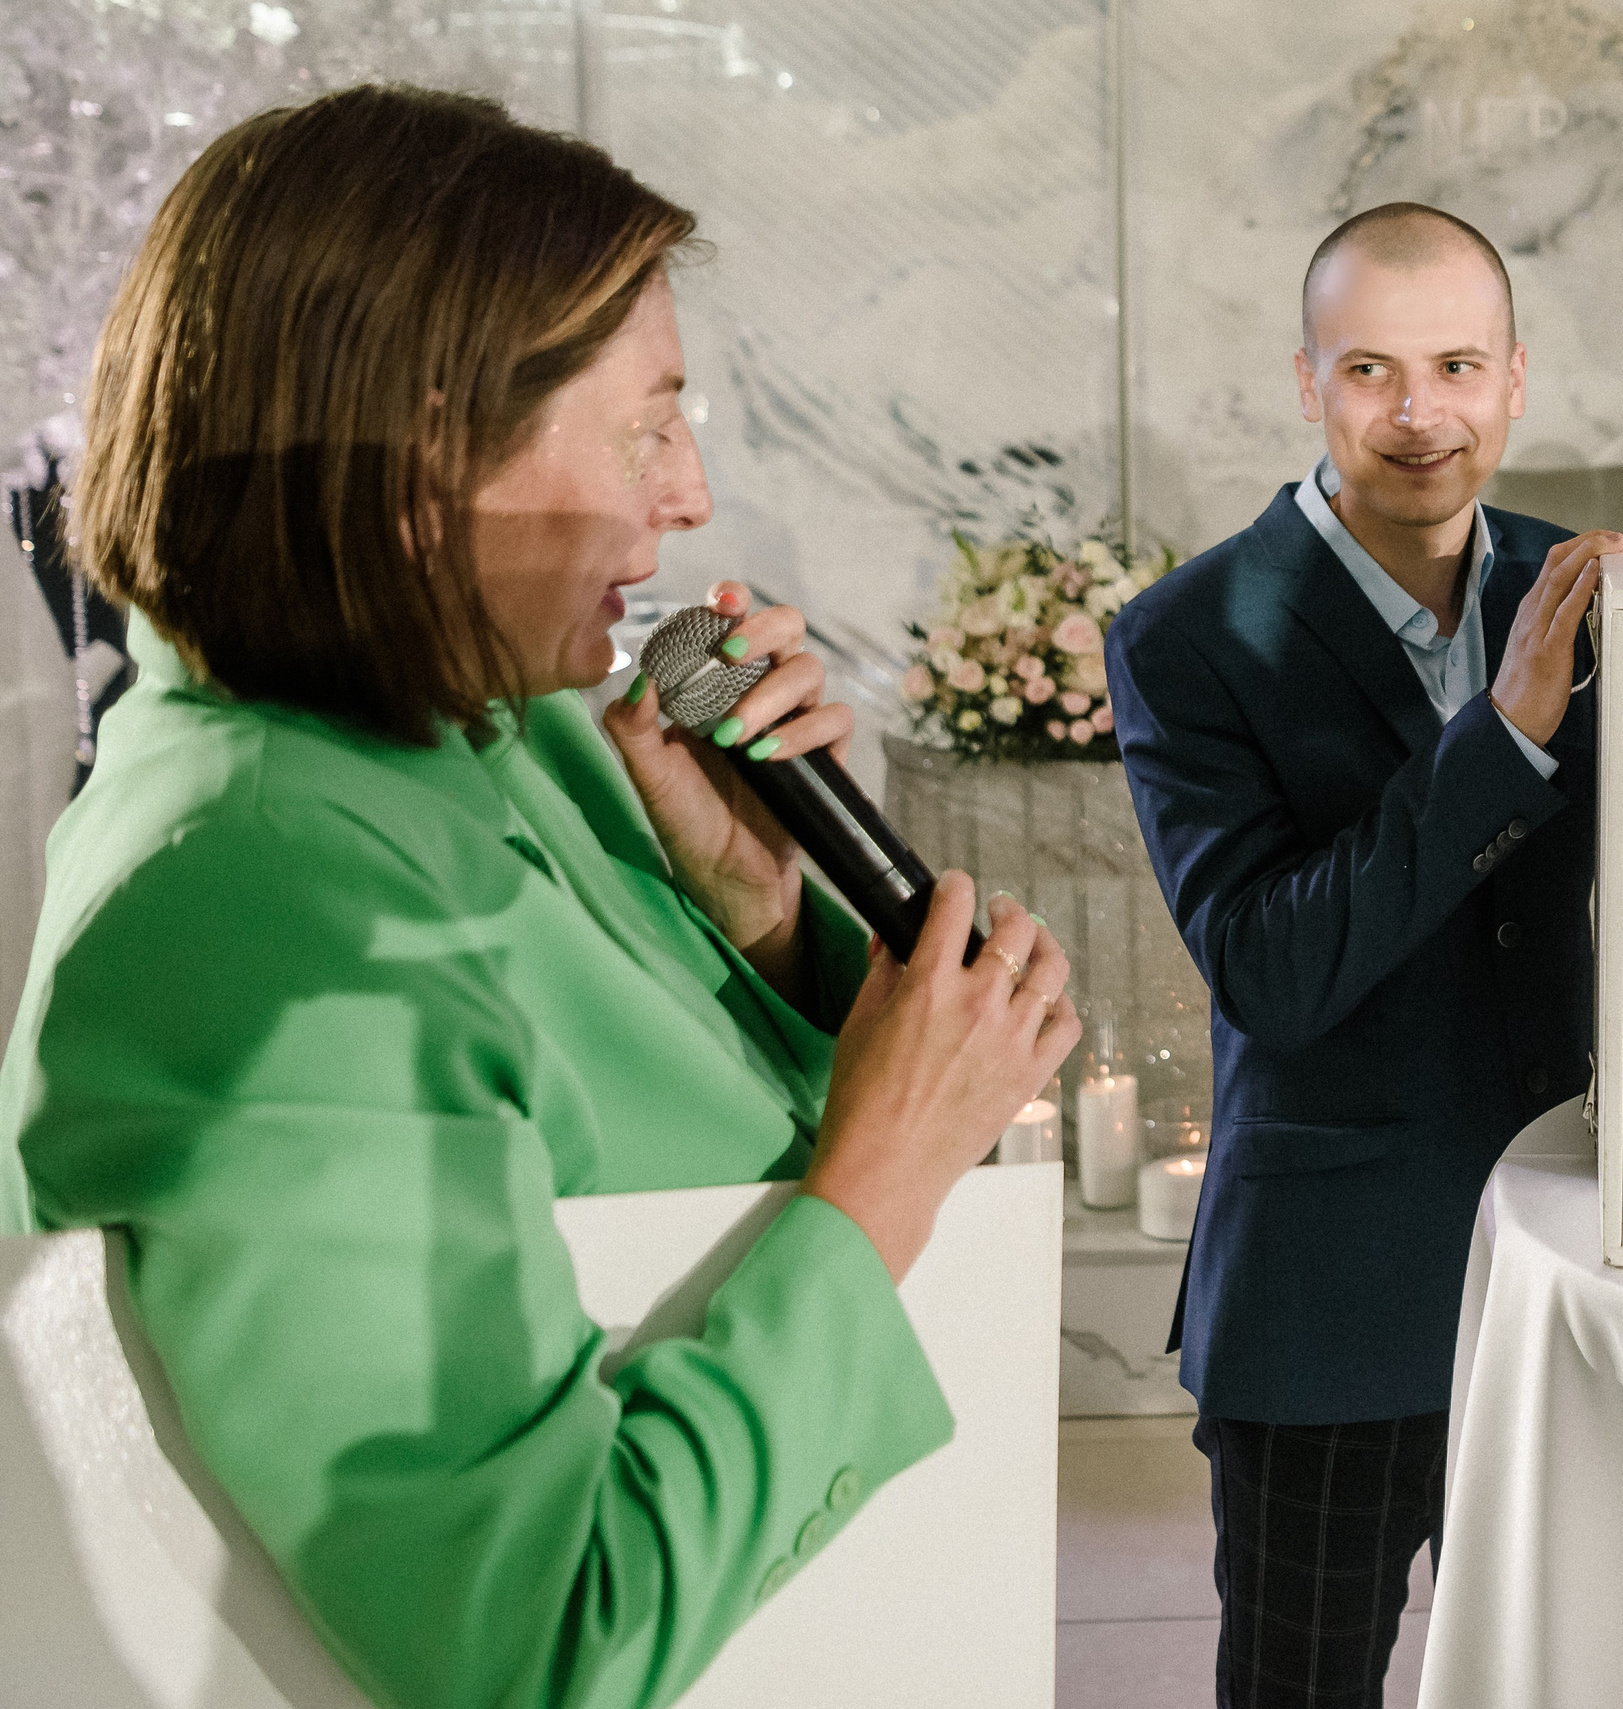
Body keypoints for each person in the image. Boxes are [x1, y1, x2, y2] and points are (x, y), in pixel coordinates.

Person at [0, 86, 1081, 1709]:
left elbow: (698, 1139)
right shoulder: (258, 905)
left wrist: (760, 907)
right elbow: (529, 1634)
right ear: (429, 453)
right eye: (648, 426)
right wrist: (880, 1183)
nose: (689, 495)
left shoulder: (514, 725)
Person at [1105, 203, 1623, 1707]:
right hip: (1331, 1297)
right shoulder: (1190, 634)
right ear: (1308, 382)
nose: (1419, 415)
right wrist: (1502, 738)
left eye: (1456, 366)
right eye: (1370, 371)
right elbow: (1269, 970)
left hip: (1564, 1279)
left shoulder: (1582, 583)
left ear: (1514, 377)